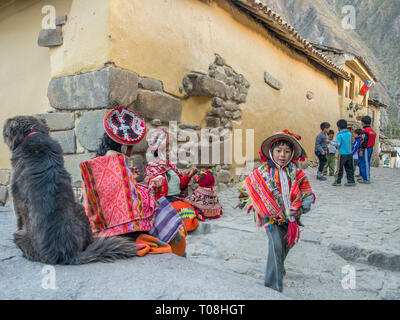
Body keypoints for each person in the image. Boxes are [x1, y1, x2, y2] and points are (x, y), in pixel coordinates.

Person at [80, 106, 186, 256]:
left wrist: (133, 181)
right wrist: (148, 191)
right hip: (121, 231)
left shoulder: (96, 163)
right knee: (165, 212)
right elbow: (131, 203)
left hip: (98, 227)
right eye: (131, 148)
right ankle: (176, 250)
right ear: (124, 148)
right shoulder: (118, 163)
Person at [237, 131, 315, 293]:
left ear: (292, 153)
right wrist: (249, 200)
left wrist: (301, 208)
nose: (282, 155)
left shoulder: (297, 173)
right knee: (276, 246)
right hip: (270, 218)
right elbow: (248, 188)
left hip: (291, 219)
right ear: (271, 152)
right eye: (278, 151)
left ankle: (278, 265)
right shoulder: (262, 172)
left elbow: (308, 194)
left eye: (287, 151)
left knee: (288, 244)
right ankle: (273, 287)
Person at [144, 128, 200, 231]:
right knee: (186, 214)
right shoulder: (152, 167)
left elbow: (181, 185)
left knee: (193, 209)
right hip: (165, 202)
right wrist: (155, 182)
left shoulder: (171, 166)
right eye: (166, 150)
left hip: (177, 199)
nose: (169, 153)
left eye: (169, 150)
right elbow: (151, 190)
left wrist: (189, 174)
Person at [331, 119, 356, 187]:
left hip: (342, 154)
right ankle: (351, 181)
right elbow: (352, 142)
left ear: (339, 127)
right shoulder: (349, 134)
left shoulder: (340, 135)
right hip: (349, 153)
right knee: (349, 168)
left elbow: (338, 144)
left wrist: (330, 142)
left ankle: (337, 181)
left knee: (339, 169)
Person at [358, 116, 376, 184]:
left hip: (365, 148)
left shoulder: (365, 131)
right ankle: (364, 177)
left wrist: (361, 150)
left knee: (365, 163)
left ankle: (366, 178)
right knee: (365, 163)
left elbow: (364, 141)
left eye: (361, 122)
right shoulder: (372, 131)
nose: (361, 123)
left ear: (363, 122)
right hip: (370, 148)